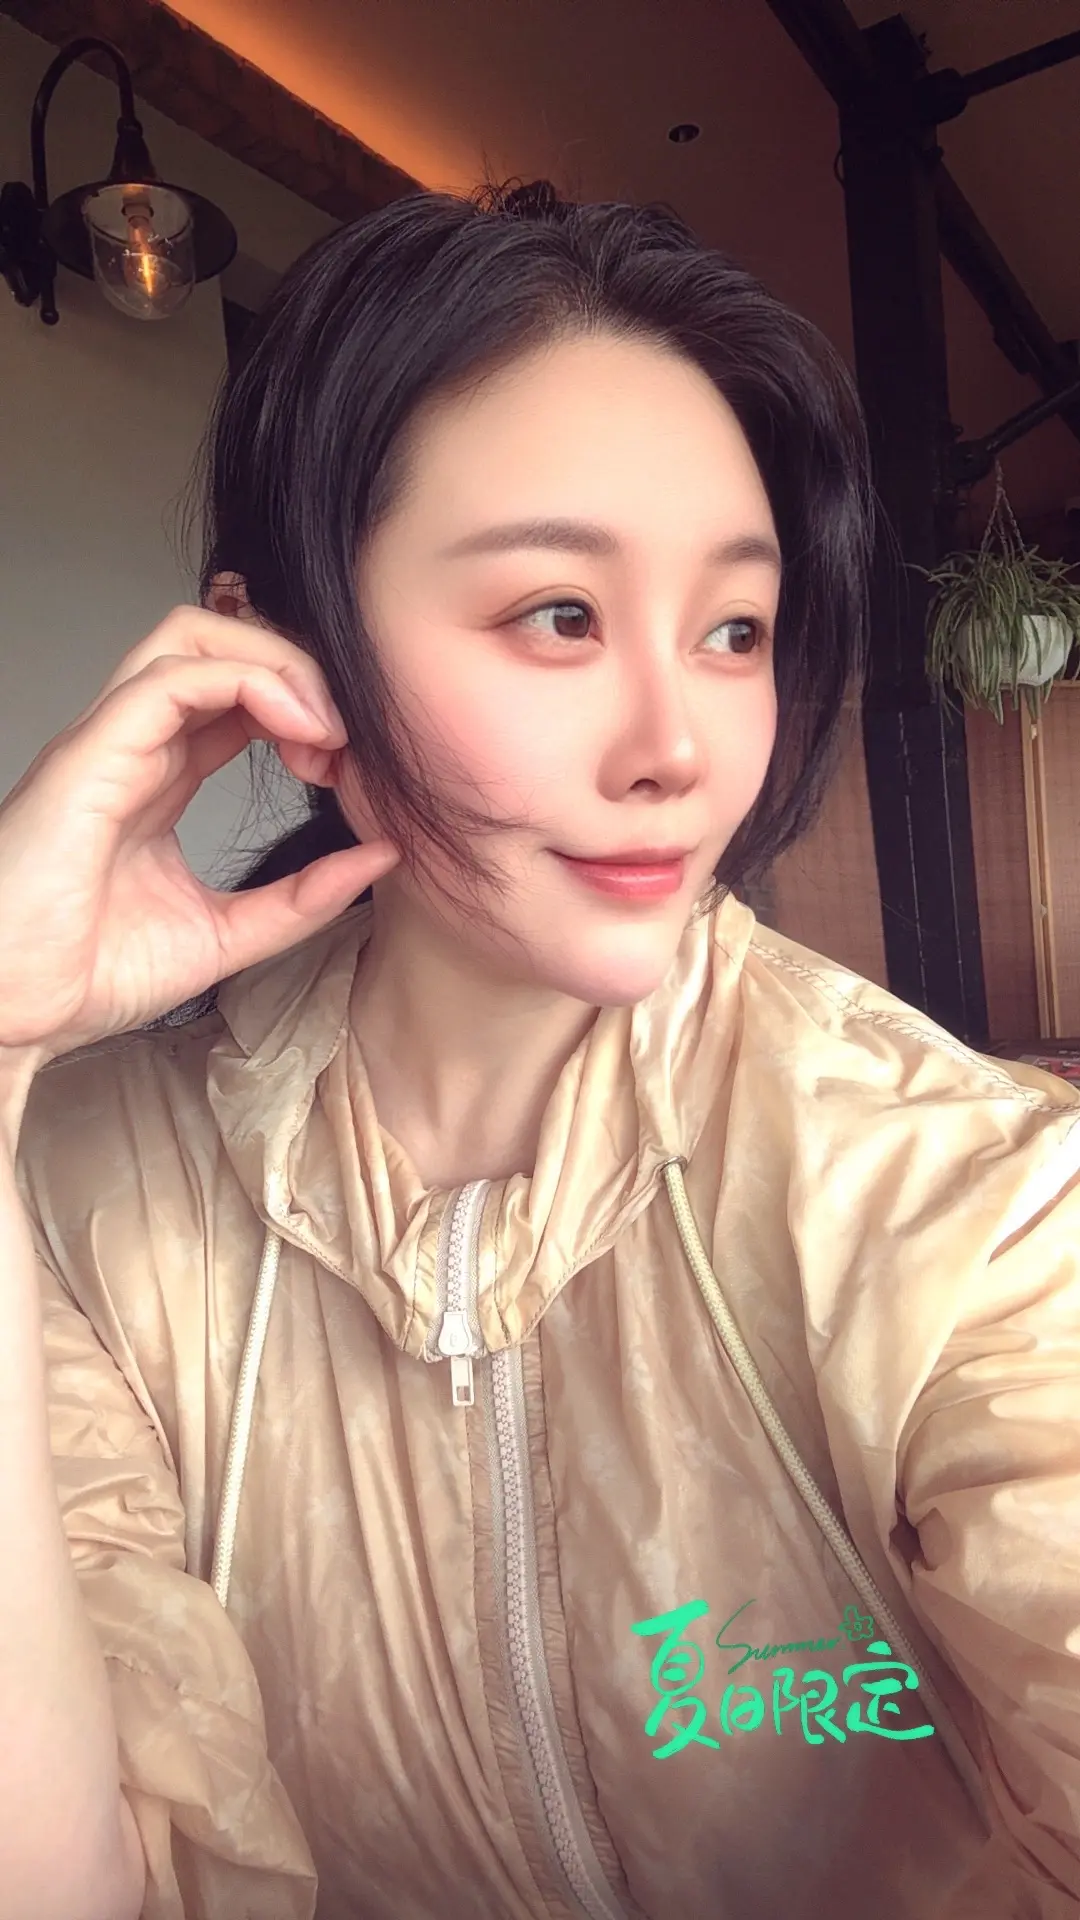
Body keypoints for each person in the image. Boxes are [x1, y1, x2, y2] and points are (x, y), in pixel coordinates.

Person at [0, 178, 1076, 1920]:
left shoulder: (954, 1195)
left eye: (733, 630)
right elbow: (69, 1879)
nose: (680, 745)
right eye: (561, 615)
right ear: (281, 665)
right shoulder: (79, 1198)